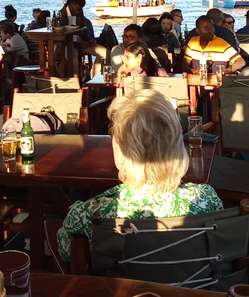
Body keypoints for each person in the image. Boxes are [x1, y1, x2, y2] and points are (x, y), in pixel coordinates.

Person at [56, 89, 223, 262]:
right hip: (191, 288)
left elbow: (66, 253)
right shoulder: (205, 199)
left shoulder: (89, 214)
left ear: (120, 152)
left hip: (119, 289)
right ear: (178, 147)